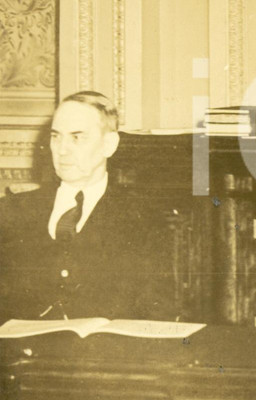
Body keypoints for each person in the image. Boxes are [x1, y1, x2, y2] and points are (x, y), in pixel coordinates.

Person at [0, 91, 176, 322]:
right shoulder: (11, 211)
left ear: (109, 144)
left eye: (77, 137)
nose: (62, 149)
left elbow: (157, 311)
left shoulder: (143, 219)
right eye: (56, 136)